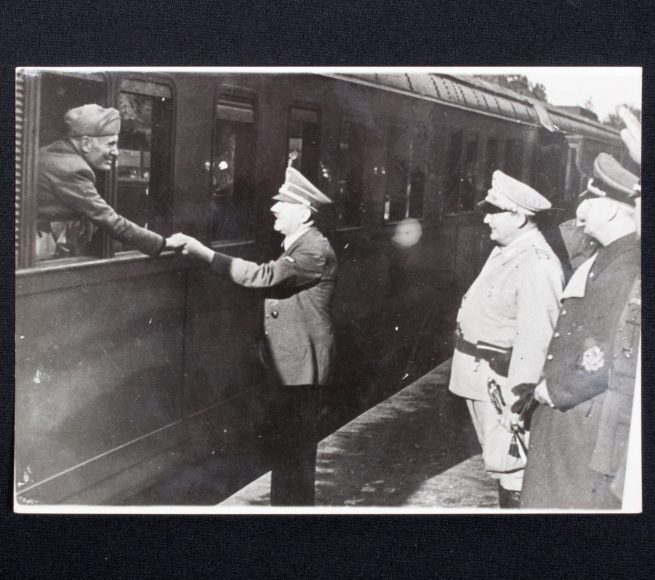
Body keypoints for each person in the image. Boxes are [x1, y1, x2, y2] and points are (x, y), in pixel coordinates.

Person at [169, 167, 337, 506]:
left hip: (300, 370)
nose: (273, 208)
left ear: (303, 213)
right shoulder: (300, 244)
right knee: (287, 453)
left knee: (295, 457)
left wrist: (205, 253)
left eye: (282, 203)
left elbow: (264, 277)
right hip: (288, 365)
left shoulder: (312, 250)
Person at [520, 152, 641, 509]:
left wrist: (554, 390)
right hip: (576, 414)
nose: (580, 208)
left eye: (590, 199)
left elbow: (607, 349)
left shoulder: (623, 267)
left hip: (580, 417)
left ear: (612, 210)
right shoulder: (612, 255)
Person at [448, 170, 563, 508]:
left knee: (513, 469)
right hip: (481, 380)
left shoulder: (536, 263)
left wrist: (519, 401)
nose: (485, 219)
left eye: (493, 211)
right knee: (501, 467)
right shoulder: (508, 249)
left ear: (518, 215)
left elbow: (537, 338)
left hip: (502, 386)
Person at [37, 104, 182, 259]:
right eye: (111, 144)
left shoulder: (56, 152)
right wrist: (163, 243)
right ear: (86, 144)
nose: (116, 152)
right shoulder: (74, 169)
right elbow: (110, 220)